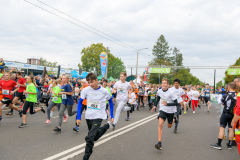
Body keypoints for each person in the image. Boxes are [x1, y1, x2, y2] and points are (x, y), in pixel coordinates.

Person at [76, 73, 114, 160]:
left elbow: (111, 102)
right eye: (89, 82)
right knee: (94, 137)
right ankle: (107, 126)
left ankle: (86, 157)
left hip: (99, 115)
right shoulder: (86, 90)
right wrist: (78, 117)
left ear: (97, 80)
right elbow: (79, 102)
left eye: (92, 82)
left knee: (90, 138)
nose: (91, 84)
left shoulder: (104, 91)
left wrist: (111, 115)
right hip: (89, 116)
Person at [151, 78, 178, 150]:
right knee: (160, 124)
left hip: (170, 111)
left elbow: (176, 103)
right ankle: (159, 143)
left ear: (168, 84)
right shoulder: (159, 91)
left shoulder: (171, 92)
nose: (163, 84)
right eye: (162, 83)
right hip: (162, 110)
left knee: (169, 126)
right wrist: (155, 106)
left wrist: (167, 104)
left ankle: (174, 119)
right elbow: (158, 99)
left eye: (165, 83)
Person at [211, 82, 237, 150]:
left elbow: (220, 102)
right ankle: (230, 145)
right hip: (233, 115)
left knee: (222, 128)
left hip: (225, 113)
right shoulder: (237, 96)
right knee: (231, 129)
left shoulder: (225, 96)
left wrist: (220, 97)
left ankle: (219, 144)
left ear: (228, 87)